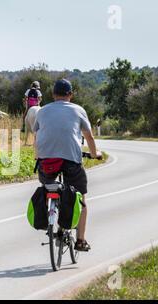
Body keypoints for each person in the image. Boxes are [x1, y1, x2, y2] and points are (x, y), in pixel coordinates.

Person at [33, 79, 102, 252]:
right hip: (71, 161)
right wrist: (94, 154)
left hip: (46, 162)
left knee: (48, 187)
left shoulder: (42, 111)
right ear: (70, 95)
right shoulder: (78, 110)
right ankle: (80, 240)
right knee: (80, 199)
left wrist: (38, 157)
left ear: (53, 95)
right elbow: (89, 137)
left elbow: (36, 136)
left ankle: (50, 210)